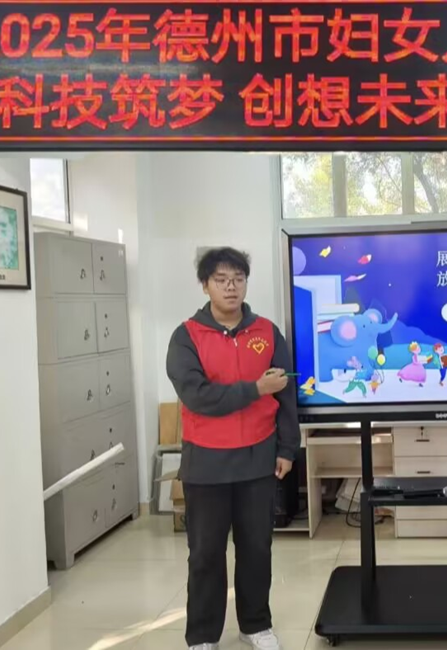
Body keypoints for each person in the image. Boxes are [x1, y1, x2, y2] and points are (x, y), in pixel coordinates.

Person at [167, 248, 300, 650]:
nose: (231, 287)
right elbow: (198, 397)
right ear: (205, 285)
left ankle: (256, 625)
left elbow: (286, 395)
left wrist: (287, 447)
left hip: (258, 458)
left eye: (238, 279)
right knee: (205, 553)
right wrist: (256, 388)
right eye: (221, 279)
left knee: (257, 547)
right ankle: (202, 635)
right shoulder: (187, 336)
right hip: (206, 463)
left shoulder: (267, 332)